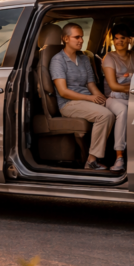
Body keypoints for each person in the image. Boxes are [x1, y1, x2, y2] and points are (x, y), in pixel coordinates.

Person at [49, 22, 115, 170]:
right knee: (105, 115)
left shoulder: (84, 59)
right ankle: (91, 161)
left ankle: (118, 157)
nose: (81, 40)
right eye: (77, 37)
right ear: (66, 39)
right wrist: (90, 99)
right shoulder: (57, 60)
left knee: (119, 109)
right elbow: (63, 91)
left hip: (87, 100)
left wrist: (102, 99)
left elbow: (91, 85)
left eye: (82, 37)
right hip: (69, 103)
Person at [101, 23, 134, 172]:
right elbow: (114, 86)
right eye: (116, 38)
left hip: (133, 97)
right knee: (123, 111)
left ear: (129, 40)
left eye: (122, 38)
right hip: (113, 98)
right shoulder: (109, 57)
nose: (119, 42)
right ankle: (119, 157)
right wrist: (133, 88)